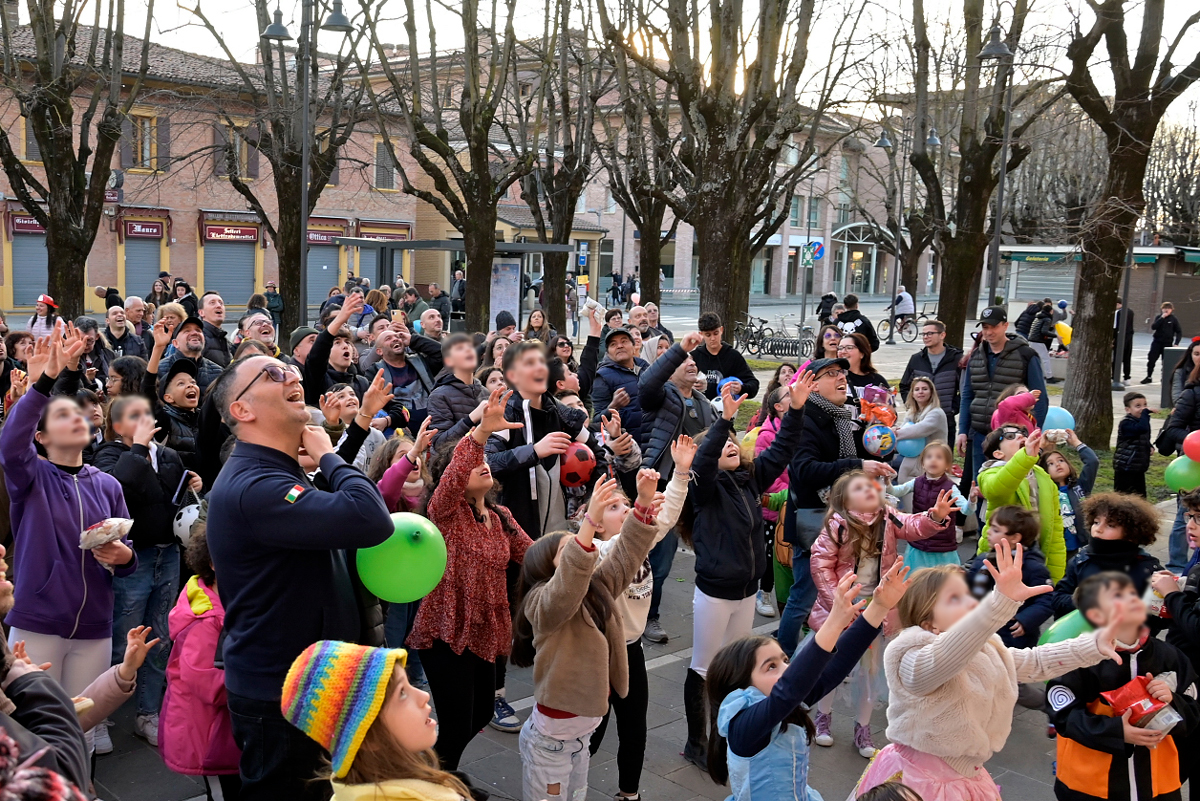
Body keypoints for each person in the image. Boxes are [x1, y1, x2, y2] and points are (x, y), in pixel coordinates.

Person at [204, 356, 395, 801]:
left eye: (288, 367)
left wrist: (347, 436)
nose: (291, 374)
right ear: (242, 410)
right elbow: (370, 518)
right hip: (280, 695)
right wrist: (327, 452)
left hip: (307, 682)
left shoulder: (276, 471)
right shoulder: (257, 485)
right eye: (271, 374)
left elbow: (329, 503)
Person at [853, 540, 1124, 801]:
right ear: (928, 620)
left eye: (970, 594)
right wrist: (1000, 604)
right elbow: (942, 660)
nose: (972, 602)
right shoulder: (909, 651)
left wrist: (1092, 646)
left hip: (967, 775)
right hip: (918, 782)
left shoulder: (984, 646)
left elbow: (1034, 662)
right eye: (955, 598)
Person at [0, 326, 137, 712]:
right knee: (33, 722)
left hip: (94, 624)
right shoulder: (30, 475)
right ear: (40, 438)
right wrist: (43, 381)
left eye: (78, 412)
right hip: (37, 621)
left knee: (84, 728)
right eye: (61, 415)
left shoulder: (108, 484)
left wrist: (124, 558)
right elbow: (10, 443)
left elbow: (127, 553)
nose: (76, 417)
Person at [680, 378, 811, 769]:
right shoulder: (704, 488)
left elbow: (785, 447)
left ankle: (726, 733)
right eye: (722, 444)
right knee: (704, 667)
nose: (731, 445)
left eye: (734, 440)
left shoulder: (749, 479)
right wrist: (723, 420)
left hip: (746, 592)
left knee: (734, 669)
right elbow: (701, 464)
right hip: (715, 593)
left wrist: (798, 410)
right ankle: (695, 743)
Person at [706, 564, 913, 801]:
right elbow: (790, 688)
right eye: (771, 666)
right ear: (741, 683)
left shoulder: (785, 706)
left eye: (784, 660)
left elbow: (834, 669)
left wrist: (879, 606)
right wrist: (834, 621)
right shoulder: (744, 727)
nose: (786, 668)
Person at [511, 473, 659, 801]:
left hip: (580, 740)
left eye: (587, 547)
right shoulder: (541, 602)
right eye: (571, 550)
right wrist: (589, 521)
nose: (587, 550)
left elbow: (625, 556)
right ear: (547, 568)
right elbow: (564, 591)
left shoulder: (595, 589)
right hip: (551, 746)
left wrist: (643, 507)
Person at [412, 388, 532, 770]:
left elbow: (537, 555)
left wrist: (590, 536)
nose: (482, 464)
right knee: (455, 721)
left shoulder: (501, 518)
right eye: (471, 463)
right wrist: (479, 432)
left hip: (486, 631)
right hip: (447, 630)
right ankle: (434, 782)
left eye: (484, 460)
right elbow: (455, 472)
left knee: (480, 715)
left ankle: (437, 774)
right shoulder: (445, 513)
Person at [808, 471, 953, 755]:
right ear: (844, 499)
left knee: (871, 672)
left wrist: (934, 517)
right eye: (860, 488)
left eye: (872, 486)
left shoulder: (887, 516)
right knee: (830, 667)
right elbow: (820, 565)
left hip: (877, 610)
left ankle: (863, 728)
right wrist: (838, 602)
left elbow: (912, 525)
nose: (871, 490)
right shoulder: (837, 525)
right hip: (841, 610)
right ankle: (823, 717)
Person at [586, 437, 694, 801]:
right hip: (597, 653)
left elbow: (664, 519)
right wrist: (643, 505)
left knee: (634, 729)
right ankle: (569, 784)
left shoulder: (638, 541)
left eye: (626, 504)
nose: (625, 509)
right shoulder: (599, 551)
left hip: (630, 650)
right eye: (615, 507)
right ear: (597, 525)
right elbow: (624, 545)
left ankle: (628, 794)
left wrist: (680, 472)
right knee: (593, 730)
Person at [92, 394, 199, 747]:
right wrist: (137, 450)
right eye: (133, 415)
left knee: (159, 637)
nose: (144, 420)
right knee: (123, 634)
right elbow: (115, 487)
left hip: (167, 554)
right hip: (133, 557)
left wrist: (191, 485)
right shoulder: (110, 454)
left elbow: (172, 501)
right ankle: (99, 715)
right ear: (117, 425)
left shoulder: (167, 455)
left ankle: (148, 713)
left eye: (146, 414)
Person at [777, 357, 896, 657]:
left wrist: (879, 433)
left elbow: (863, 455)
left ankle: (823, 654)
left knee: (829, 593)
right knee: (804, 595)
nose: (842, 377)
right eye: (831, 373)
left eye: (842, 372)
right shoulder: (805, 418)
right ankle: (782, 659)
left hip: (837, 518)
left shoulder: (841, 417)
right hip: (813, 518)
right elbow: (803, 470)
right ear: (813, 385)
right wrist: (858, 464)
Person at [1047, 572, 1200, 801]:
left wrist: (1172, 700)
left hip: (1157, 783)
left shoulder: (1169, 656)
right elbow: (1063, 716)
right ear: (1095, 614)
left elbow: (1194, 711)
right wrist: (1118, 732)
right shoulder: (1077, 658)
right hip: (1091, 786)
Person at [636, 332, 711, 643]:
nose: (691, 362)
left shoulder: (705, 402)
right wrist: (680, 349)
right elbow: (646, 384)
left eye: (694, 359)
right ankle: (646, 618)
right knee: (660, 559)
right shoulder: (663, 396)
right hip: (666, 486)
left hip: (698, 491)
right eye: (685, 360)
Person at [160, 519, 241, 799]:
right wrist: (257, 679)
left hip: (223, 732)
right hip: (207, 738)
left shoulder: (227, 602)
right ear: (214, 564)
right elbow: (206, 682)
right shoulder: (204, 621)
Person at [956, 305, 1047, 485]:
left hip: (1012, 438)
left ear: (1005, 325)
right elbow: (967, 395)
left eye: (993, 326)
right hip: (980, 433)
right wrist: (963, 431)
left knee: (1013, 487)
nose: (989, 332)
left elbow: (1040, 398)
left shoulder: (1025, 354)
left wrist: (1034, 434)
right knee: (981, 486)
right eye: (985, 327)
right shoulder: (976, 356)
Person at [1048, 493, 1165, 621]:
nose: (1099, 529)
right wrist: (1081, 601)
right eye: (1096, 522)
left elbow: (1158, 619)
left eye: (1110, 525)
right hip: (1077, 636)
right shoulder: (1082, 559)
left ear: (1131, 533)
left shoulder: (1146, 568)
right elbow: (1057, 598)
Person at [976, 426, 1067, 583]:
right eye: (1010, 436)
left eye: (1022, 434)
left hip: (1033, 557)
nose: (1019, 436)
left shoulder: (1043, 477)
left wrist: (1055, 573)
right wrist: (1026, 456)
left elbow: (1055, 528)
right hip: (999, 558)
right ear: (998, 454)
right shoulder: (989, 473)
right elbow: (997, 489)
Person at [965, 505, 1053, 649]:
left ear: (1015, 538)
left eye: (996, 530)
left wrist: (1025, 619)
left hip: (1012, 636)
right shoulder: (983, 560)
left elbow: (1047, 599)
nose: (988, 532)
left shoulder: (1032, 567)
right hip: (979, 629)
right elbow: (970, 589)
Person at [890, 443, 972, 569]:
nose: (933, 460)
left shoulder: (950, 487)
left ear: (947, 465)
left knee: (942, 582)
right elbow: (896, 491)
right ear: (923, 463)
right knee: (914, 581)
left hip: (942, 545)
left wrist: (972, 500)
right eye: (929, 457)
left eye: (939, 457)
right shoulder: (916, 482)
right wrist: (886, 482)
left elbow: (967, 510)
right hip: (918, 542)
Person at [898, 320, 962, 444]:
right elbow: (905, 385)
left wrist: (952, 409)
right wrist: (913, 405)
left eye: (930, 333)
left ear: (942, 335)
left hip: (946, 419)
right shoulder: (916, 359)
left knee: (942, 459)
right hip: (919, 420)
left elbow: (965, 389)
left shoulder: (956, 359)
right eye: (924, 334)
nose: (926, 337)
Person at [1038, 431, 1099, 560]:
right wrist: (1040, 447)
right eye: (1051, 463)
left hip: (1081, 547)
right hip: (1054, 549)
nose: (1058, 464)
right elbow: (1027, 470)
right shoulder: (1043, 490)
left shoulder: (1080, 486)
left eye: (1061, 460)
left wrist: (1076, 443)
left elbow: (1092, 462)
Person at [425, 334, 485, 448]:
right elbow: (439, 443)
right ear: (449, 361)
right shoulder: (438, 396)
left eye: (470, 346)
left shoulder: (486, 393)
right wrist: (471, 419)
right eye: (460, 348)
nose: (468, 350)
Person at [593, 326, 650, 441]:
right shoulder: (602, 377)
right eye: (613, 344)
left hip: (653, 439)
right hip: (628, 445)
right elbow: (597, 422)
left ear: (634, 346)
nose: (619, 346)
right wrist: (613, 407)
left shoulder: (645, 366)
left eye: (624, 341)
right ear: (608, 352)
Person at [691, 312, 759, 401]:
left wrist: (741, 388)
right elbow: (678, 385)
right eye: (708, 335)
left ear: (721, 330)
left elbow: (753, 385)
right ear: (701, 334)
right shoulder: (694, 357)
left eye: (716, 333)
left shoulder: (733, 356)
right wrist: (690, 386)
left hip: (726, 409)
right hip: (700, 409)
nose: (713, 338)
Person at [894, 377, 948, 485]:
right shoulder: (912, 412)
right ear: (912, 394)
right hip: (915, 457)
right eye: (917, 389)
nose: (921, 392)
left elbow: (918, 430)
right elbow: (904, 427)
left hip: (931, 460)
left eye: (924, 389)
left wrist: (894, 433)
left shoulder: (936, 413)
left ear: (931, 392)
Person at [156, 316, 224, 392]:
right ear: (175, 343)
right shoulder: (159, 370)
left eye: (198, 330)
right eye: (187, 331)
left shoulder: (218, 372)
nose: (195, 333)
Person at [1143, 302, 1183, 385]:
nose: (1166, 310)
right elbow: (1154, 327)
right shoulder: (1159, 317)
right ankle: (1149, 376)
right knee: (1151, 359)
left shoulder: (1173, 319)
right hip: (1157, 342)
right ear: (1162, 309)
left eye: (1168, 308)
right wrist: (1161, 318)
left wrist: (1176, 343)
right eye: (1164, 308)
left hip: (1167, 343)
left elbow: (1179, 332)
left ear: (1171, 310)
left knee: (1165, 362)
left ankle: (1164, 378)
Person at [838, 333, 888, 399]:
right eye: (840, 348)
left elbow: (889, 407)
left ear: (862, 353)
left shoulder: (877, 381)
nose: (843, 351)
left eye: (849, 348)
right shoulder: (834, 377)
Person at [198, 291, 231, 368]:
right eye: (212, 303)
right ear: (201, 312)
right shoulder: (199, 338)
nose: (218, 306)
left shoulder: (224, 339)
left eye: (221, 303)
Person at [1114, 297, 1136, 383]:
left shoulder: (1118, 312)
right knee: (1127, 358)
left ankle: (1115, 376)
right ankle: (1127, 377)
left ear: (1118, 304)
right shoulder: (1130, 312)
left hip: (1119, 337)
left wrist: (1113, 339)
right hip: (1129, 338)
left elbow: (1115, 327)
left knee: (1116, 358)